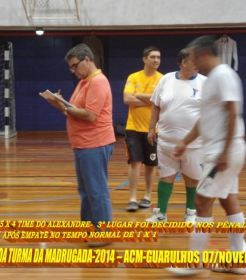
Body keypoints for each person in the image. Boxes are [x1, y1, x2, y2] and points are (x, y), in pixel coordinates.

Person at [167, 35, 246, 276]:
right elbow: (206, 119)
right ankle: (238, 261)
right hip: (225, 150)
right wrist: (185, 142)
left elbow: (233, 113)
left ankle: (196, 262)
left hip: (224, 151)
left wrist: (223, 153)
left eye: (191, 56)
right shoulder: (212, 79)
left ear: (202, 53)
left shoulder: (223, 76)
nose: (190, 61)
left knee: (201, 202)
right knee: (228, 200)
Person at [47, 43, 115, 247]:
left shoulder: (98, 82)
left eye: (75, 66)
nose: (73, 71)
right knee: (86, 191)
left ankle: (104, 232)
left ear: (87, 59)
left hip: (95, 143)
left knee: (97, 190)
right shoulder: (85, 81)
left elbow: (89, 115)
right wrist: (61, 104)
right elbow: (75, 110)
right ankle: (89, 228)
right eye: (71, 68)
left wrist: (63, 107)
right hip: (82, 144)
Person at [145, 48, 206, 224]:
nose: (198, 65)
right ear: (184, 63)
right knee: (166, 178)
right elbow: (156, 105)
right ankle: (160, 214)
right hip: (166, 142)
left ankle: (191, 213)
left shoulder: (205, 83)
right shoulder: (166, 80)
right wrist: (151, 129)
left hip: (194, 145)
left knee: (192, 179)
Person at [123, 46, 163, 212]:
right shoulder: (133, 77)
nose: (156, 60)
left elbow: (161, 100)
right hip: (133, 128)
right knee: (135, 162)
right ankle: (132, 198)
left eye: (158, 57)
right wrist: (151, 100)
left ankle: (147, 196)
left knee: (151, 164)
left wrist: (138, 96)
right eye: (152, 57)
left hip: (153, 129)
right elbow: (127, 98)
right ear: (144, 59)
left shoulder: (162, 79)